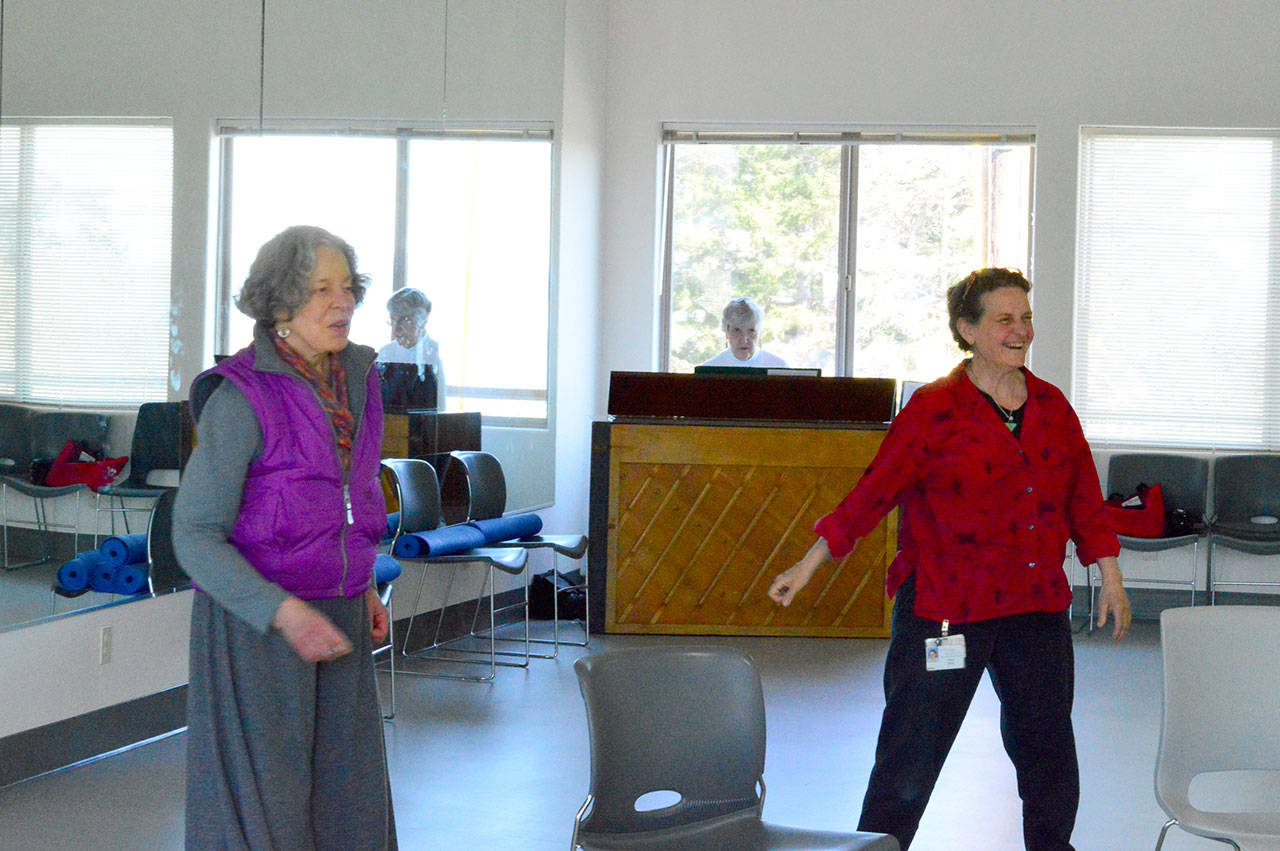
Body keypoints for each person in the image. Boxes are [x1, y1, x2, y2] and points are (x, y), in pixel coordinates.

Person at [767, 268, 1131, 850]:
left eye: (1026, 318)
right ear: (967, 329)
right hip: (945, 607)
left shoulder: (1051, 406)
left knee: (1048, 755)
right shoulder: (935, 408)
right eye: (1005, 319)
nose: (1021, 331)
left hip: (1033, 605)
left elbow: (1083, 497)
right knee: (909, 757)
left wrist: (1110, 576)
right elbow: (874, 491)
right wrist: (809, 562)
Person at [174, 225, 397, 849]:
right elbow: (193, 534)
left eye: (347, 287)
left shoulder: (358, 379)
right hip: (258, 624)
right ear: (279, 306)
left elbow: (346, 499)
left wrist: (361, 581)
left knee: (349, 802)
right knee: (266, 809)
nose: (342, 301)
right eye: (321, 289)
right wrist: (282, 612)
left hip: (339, 612)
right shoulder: (241, 397)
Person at [377, 287, 446, 410]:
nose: (396, 329)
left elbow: (440, 408)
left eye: (405, 321)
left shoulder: (434, 355)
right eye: (393, 320)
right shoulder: (385, 353)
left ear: (422, 322)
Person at [699, 296, 788, 367]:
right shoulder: (709, 370)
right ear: (726, 333)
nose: (744, 340)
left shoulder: (779, 368)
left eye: (751, 331)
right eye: (737, 331)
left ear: (760, 333)